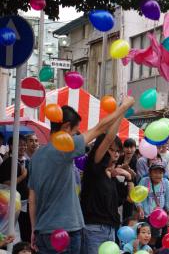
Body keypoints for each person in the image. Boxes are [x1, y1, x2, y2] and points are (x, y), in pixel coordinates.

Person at [28, 96, 135, 253]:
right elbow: (100, 128)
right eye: (74, 132)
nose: (76, 137)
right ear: (65, 127)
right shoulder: (63, 147)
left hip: (43, 231)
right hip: (65, 232)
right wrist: (123, 107)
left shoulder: (36, 156)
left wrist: (33, 229)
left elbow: (32, 199)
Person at [80, 131, 134, 253]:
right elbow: (102, 146)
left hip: (111, 230)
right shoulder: (93, 169)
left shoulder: (112, 176)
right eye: (111, 150)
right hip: (93, 229)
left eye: (118, 151)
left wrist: (128, 177)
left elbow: (131, 199)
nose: (115, 154)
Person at [0, 135, 30, 242]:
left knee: (25, 231)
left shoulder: (23, 161)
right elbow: (7, 184)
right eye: (20, 145)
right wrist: (23, 176)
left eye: (24, 144)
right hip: (13, 205)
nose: (23, 147)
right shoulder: (9, 163)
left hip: (24, 202)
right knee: (13, 233)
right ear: (12, 146)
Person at [136, 163, 169, 247]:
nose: (158, 175)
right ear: (150, 173)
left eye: (160, 173)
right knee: (144, 239)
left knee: (154, 239)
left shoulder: (165, 182)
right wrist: (140, 208)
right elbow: (138, 197)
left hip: (159, 217)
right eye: (155, 172)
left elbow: (168, 201)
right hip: (146, 215)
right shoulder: (144, 181)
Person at [118, 138, 138, 220]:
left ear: (135, 148)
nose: (129, 150)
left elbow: (136, 177)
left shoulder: (136, 161)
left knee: (128, 215)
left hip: (131, 191)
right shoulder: (119, 158)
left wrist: (128, 170)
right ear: (123, 148)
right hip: (119, 189)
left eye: (131, 147)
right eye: (127, 147)